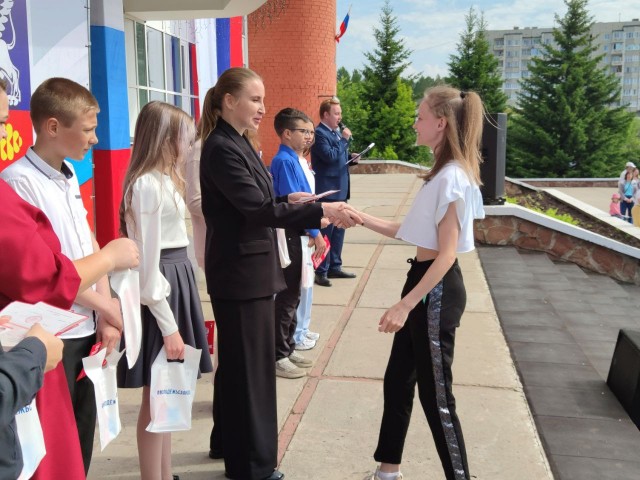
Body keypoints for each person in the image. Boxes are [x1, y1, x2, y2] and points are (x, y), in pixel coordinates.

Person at [199, 67, 360, 480]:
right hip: (241, 273)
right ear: (229, 101)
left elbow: (258, 200)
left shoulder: (237, 142)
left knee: (239, 367)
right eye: (254, 99)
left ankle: (227, 444)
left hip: (246, 270)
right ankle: (252, 467)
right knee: (251, 372)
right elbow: (257, 210)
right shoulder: (222, 147)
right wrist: (320, 210)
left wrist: (290, 198)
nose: (262, 108)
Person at [341, 86, 485, 480]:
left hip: (435, 290)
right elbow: (412, 231)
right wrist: (360, 217)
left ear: (441, 123)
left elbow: (446, 254)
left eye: (420, 117)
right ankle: (388, 470)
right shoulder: (441, 174)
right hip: (424, 283)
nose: (414, 123)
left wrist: (406, 304)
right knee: (398, 382)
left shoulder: (452, 177)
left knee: (437, 397)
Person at [0, 77, 125, 475]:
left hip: (85, 322)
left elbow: (87, 241)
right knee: (51, 447)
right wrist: (106, 292)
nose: (95, 138)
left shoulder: (70, 173)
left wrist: (105, 308)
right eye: (88, 129)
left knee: (80, 436)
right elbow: (46, 270)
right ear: (54, 127)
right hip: (51, 331)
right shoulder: (18, 182)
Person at [118, 101, 213, 480]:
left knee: (168, 391)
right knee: (157, 394)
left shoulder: (164, 180)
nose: (188, 145)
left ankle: (164, 472)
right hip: (162, 291)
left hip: (176, 281)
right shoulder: (146, 186)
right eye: (183, 137)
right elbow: (147, 266)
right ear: (163, 139)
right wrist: (169, 326)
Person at [270, 108, 327, 378]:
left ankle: (288, 346)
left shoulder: (295, 159)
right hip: (291, 233)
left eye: (311, 132)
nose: (309, 137)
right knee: (288, 296)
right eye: (304, 132)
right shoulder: (284, 161)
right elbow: (297, 203)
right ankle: (278, 354)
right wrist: (316, 230)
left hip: (300, 232)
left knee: (295, 294)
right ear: (286, 133)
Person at [311, 96, 358, 287]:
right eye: (336, 113)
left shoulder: (335, 132)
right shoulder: (319, 133)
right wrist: (344, 140)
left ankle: (334, 266)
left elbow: (339, 158)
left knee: (339, 229)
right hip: (328, 190)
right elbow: (329, 156)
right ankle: (320, 271)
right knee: (327, 231)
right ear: (325, 115)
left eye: (340, 113)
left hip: (341, 188)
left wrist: (352, 158)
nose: (340, 117)